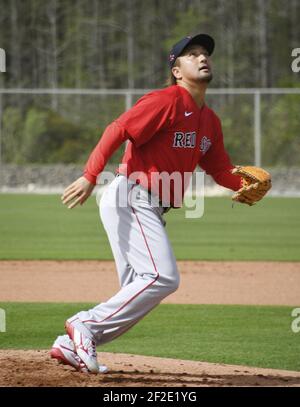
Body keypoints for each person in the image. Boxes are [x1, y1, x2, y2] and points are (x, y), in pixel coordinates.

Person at [50, 33, 244, 374]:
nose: (202, 58)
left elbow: (220, 169)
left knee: (137, 290)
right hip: (132, 195)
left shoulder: (209, 122)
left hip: (145, 205)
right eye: (192, 54)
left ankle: (69, 344)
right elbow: (118, 128)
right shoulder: (167, 101)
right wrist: (90, 174)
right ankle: (85, 326)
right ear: (177, 70)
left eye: (205, 53)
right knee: (162, 277)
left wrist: (247, 185)